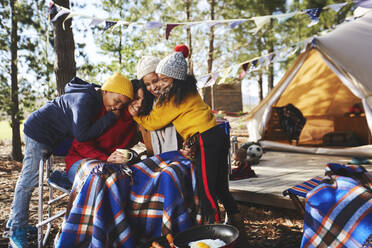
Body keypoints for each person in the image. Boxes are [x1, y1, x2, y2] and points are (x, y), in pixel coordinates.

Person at [8, 72, 133, 248]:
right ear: (106, 91)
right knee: (29, 180)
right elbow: (82, 136)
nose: (117, 107)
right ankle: (16, 229)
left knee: (79, 157)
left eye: (122, 105)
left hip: (56, 136)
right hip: (40, 133)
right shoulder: (86, 101)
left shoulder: (97, 100)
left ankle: (15, 218)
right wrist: (111, 118)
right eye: (117, 101)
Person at [129, 45, 243, 223]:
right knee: (220, 186)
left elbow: (153, 122)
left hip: (204, 139)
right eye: (153, 82)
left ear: (174, 78)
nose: (157, 85)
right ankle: (236, 222)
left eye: (161, 80)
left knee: (206, 188)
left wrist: (136, 117)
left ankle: (214, 229)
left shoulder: (170, 97)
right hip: (216, 134)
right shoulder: (188, 89)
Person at [64, 79, 151, 183]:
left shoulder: (137, 122)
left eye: (144, 101)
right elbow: (80, 144)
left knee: (134, 179)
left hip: (111, 166)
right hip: (81, 160)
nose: (140, 104)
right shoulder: (108, 112)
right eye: (136, 98)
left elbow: (148, 145)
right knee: (104, 179)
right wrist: (105, 158)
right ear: (128, 97)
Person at [135, 55, 182, 156]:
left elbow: (154, 122)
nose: (153, 87)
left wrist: (136, 116)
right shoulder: (148, 105)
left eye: (155, 81)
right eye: (147, 84)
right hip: (158, 159)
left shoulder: (177, 98)